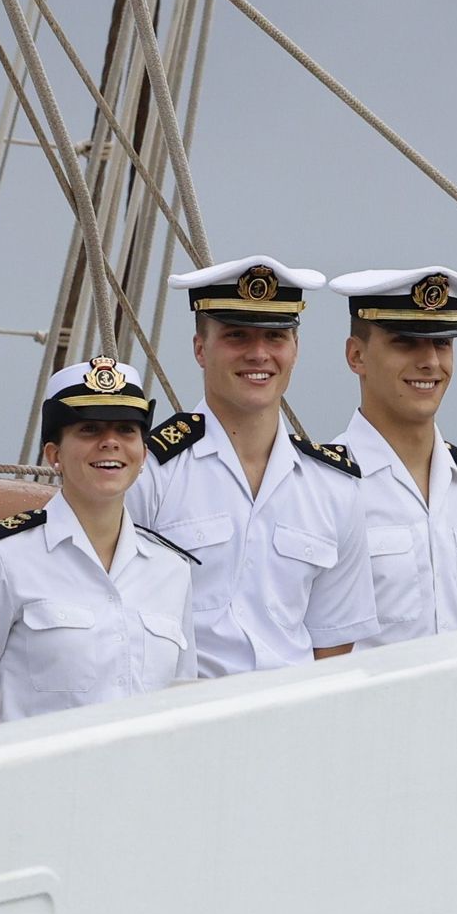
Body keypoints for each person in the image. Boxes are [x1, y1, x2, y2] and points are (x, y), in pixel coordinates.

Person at [126, 256, 378, 676]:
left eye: (275, 336)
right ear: (200, 349)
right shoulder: (149, 473)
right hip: (181, 722)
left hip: (289, 727)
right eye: (237, 336)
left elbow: (333, 643)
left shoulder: (334, 488)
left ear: (295, 349)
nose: (258, 353)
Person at [0, 357, 197, 723]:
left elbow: (182, 704)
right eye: (89, 430)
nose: (110, 443)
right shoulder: (4, 557)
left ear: (143, 454)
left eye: (125, 430)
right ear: (53, 454)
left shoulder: (172, 570)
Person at [328, 267, 457, 645]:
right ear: (356, 355)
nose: (429, 361)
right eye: (405, 342)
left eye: (442, 343)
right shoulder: (324, 487)